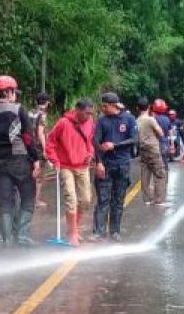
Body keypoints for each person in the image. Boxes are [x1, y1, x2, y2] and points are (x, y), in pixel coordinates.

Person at [0, 75, 40, 244]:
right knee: (28, 197)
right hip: (20, 161)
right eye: (13, 91)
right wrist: (35, 160)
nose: (15, 94)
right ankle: (21, 235)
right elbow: (28, 138)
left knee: (4, 202)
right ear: (8, 92)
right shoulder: (18, 110)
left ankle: (7, 238)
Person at [45, 98, 96, 247]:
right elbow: (50, 143)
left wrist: (90, 153)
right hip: (65, 166)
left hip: (83, 166)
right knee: (71, 199)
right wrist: (54, 160)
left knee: (86, 200)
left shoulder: (90, 122)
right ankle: (73, 233)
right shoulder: (63, 123)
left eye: (90, 113)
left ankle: (73, 227)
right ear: (78, 110)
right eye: (86, 113)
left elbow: (90, 142)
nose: (88, 116)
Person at [92, 92, 137, 241]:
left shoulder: (129, 119)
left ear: (113, 105)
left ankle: (115, 231)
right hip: (106, 165)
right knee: (103, 199)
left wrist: (114, 145)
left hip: (122, 165)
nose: (103, 108)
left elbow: (135, 139)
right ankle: (99, 232)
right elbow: (96, 142)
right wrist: (98, 162)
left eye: (105, 106)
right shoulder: (102, 121)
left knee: (118, 200)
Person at [137, 99, 168, 206]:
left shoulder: (137, 120)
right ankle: (158, 199)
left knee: (145, 174)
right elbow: (161, 133)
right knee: (160, 173)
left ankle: (147, 199)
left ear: (137, 108)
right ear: (149, 107)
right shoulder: (150, 120)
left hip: (142, 149)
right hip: (152, 149)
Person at [29, 92, 52, 209]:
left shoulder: (30, 113)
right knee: (39, 176)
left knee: (30, 173)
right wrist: (45, 149)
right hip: (38, 148)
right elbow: (40, 133)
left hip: (29, 147)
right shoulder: (42, 115)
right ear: (47, 102)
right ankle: (36, 201)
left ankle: (28, 199)